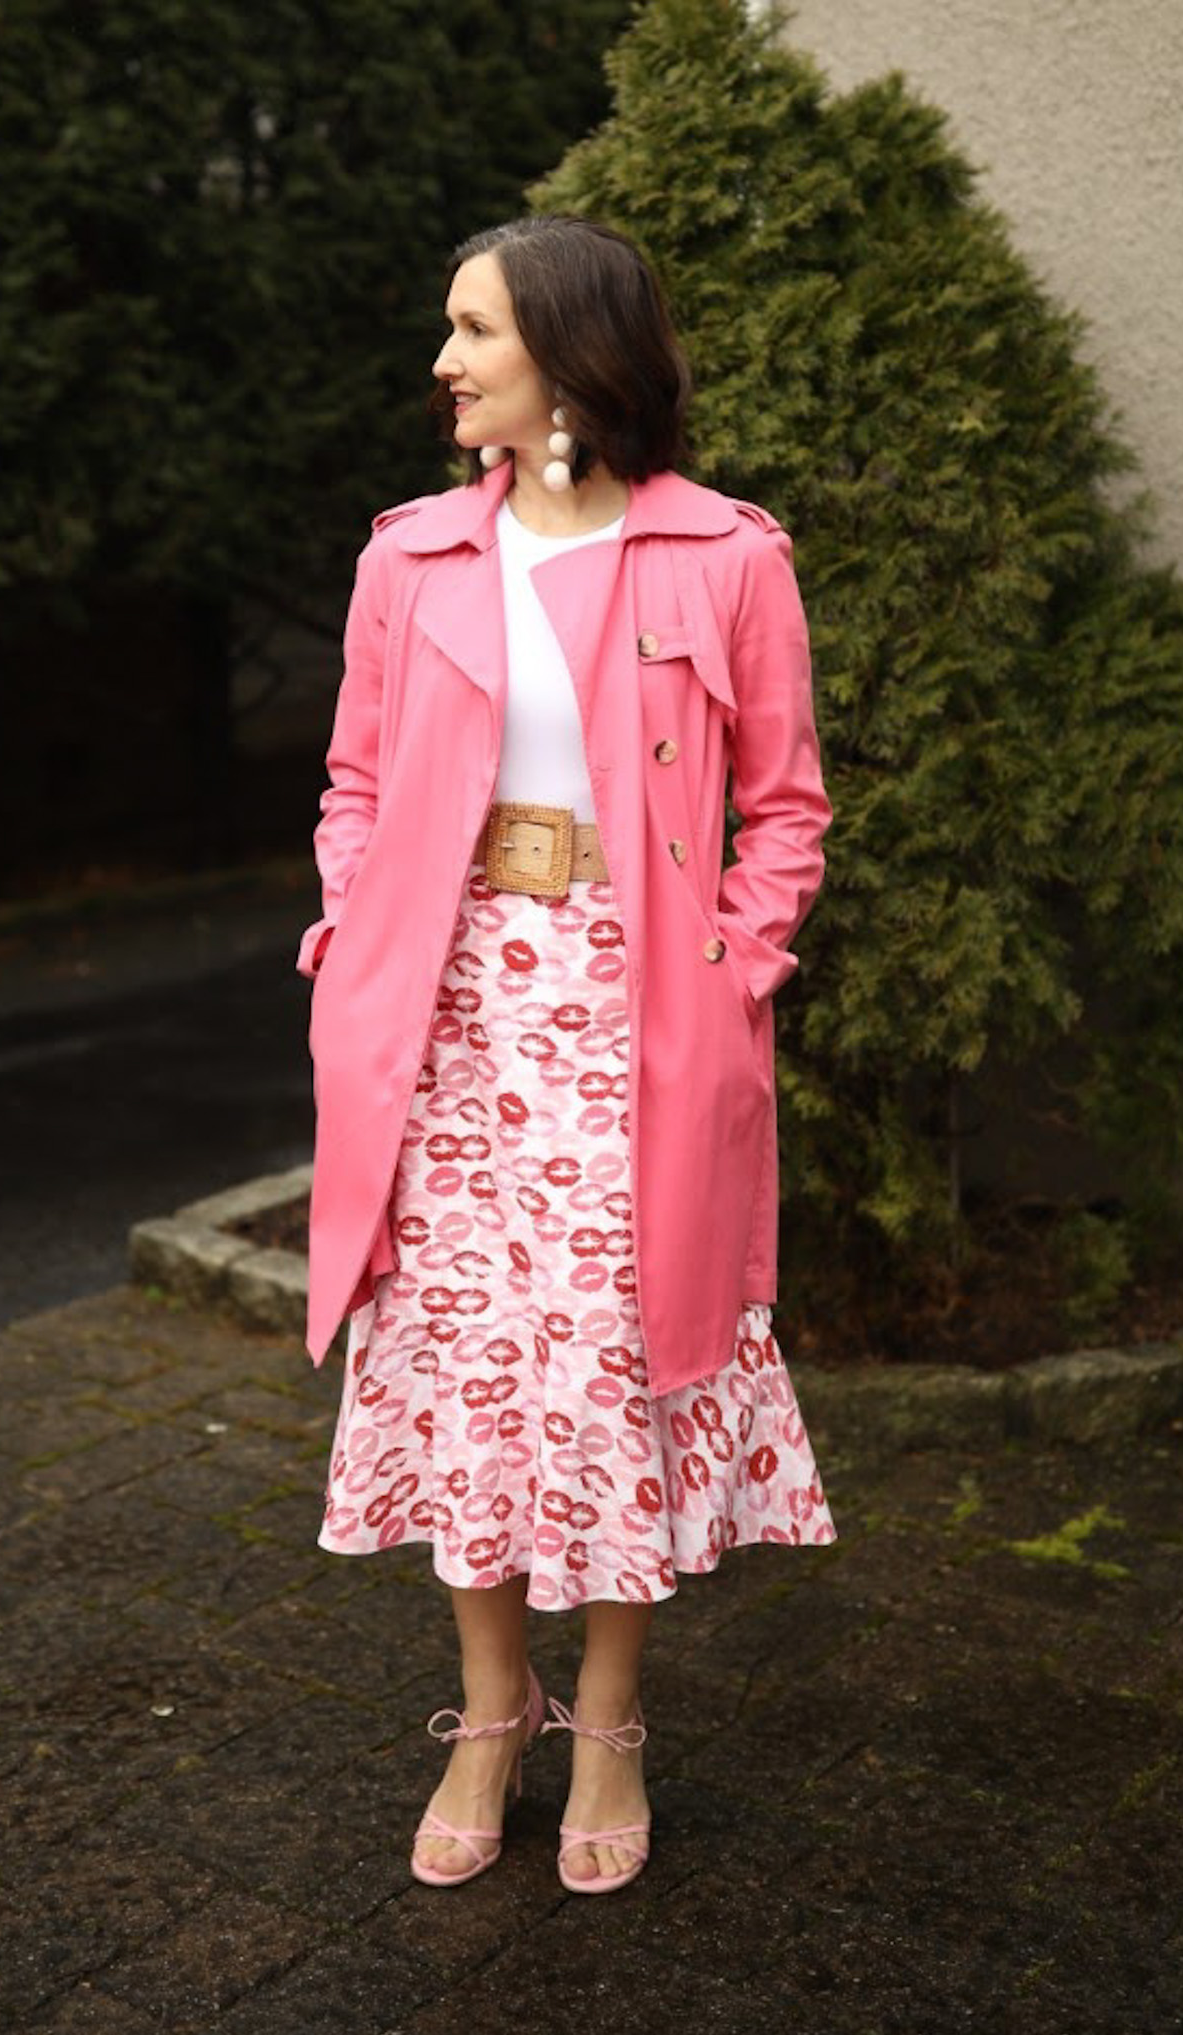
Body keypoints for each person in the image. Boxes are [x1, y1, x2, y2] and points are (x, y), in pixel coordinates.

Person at [296, 215, 837, 1896]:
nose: (443, 361)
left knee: (613, 1356)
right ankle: (485, 1708)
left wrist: (736, 964)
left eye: (472, 330)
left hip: (642, 1017)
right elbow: (357, 786)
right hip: (442, 1021)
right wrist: (352, 930)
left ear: (568, 350)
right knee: (462, 1351)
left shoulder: (725, 557)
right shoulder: (411, 559)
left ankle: (605, 1716)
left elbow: (790, 811)